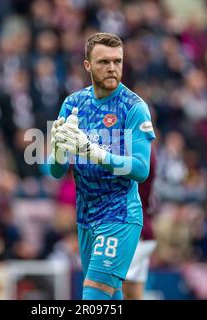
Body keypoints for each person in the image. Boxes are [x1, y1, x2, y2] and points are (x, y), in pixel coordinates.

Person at [48, 32, 156, 300]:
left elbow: (142, 169)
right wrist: (60, 149)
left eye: (117, 61)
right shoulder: (72, 105)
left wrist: (93, 152)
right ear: (87, 66)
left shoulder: (134, 107)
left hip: (120, 214)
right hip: (86, 217)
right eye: (103, 62)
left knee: (94, 295)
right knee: (110, 295)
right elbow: (56, 170)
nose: (112, 68)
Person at [123, 148, 158, 299]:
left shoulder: (139, 152)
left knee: (107, 285)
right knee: (133, 292)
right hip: (142, 229)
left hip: (134, 231)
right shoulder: (147, 150)